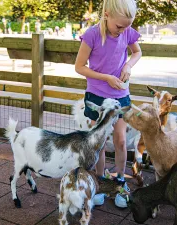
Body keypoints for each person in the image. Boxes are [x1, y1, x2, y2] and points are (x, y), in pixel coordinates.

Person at [75, 0, 142, 208]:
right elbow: (79, 67)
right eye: (119, 26)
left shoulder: (128, 31)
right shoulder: (92, 35)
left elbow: (137, 52)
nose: (123, 30)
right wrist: (105, 78)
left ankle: (120, 182)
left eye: (127, 26)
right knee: (100, 143)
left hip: (121, 95)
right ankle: (101, 183)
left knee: (121, 141)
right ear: (106, 14)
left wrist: (129, 66)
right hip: (97, 97)